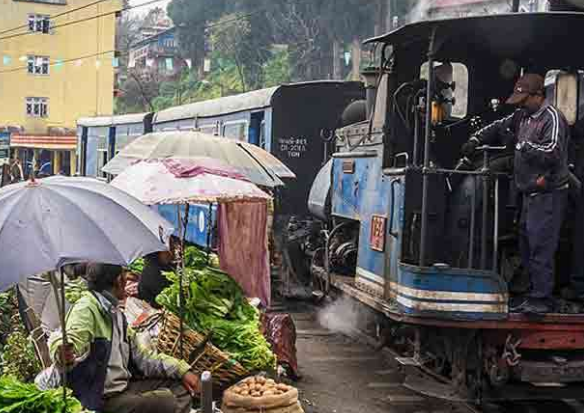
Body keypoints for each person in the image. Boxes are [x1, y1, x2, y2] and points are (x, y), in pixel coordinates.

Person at [461, 73, 570, 314]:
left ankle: (541, 299)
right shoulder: (522, 115)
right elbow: (499, 125)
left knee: (541, 246)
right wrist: (476, 138)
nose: (519, 104)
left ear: (538, 96)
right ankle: (531, 293)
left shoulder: (552, 118)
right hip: (527, 192)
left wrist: (523, 146)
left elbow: (552, 151)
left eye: (524, 99)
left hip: (548, 194)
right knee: (526, 243)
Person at [48, 263, 199, 413]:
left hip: (124, 388)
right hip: (101, 399)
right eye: (125, 276)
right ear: (118, 280)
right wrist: (63, 351)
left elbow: (143, 358)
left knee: (179, 389)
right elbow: (69, 339)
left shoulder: (116, 313)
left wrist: (181, 370)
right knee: (166, 401)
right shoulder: (86, 308)